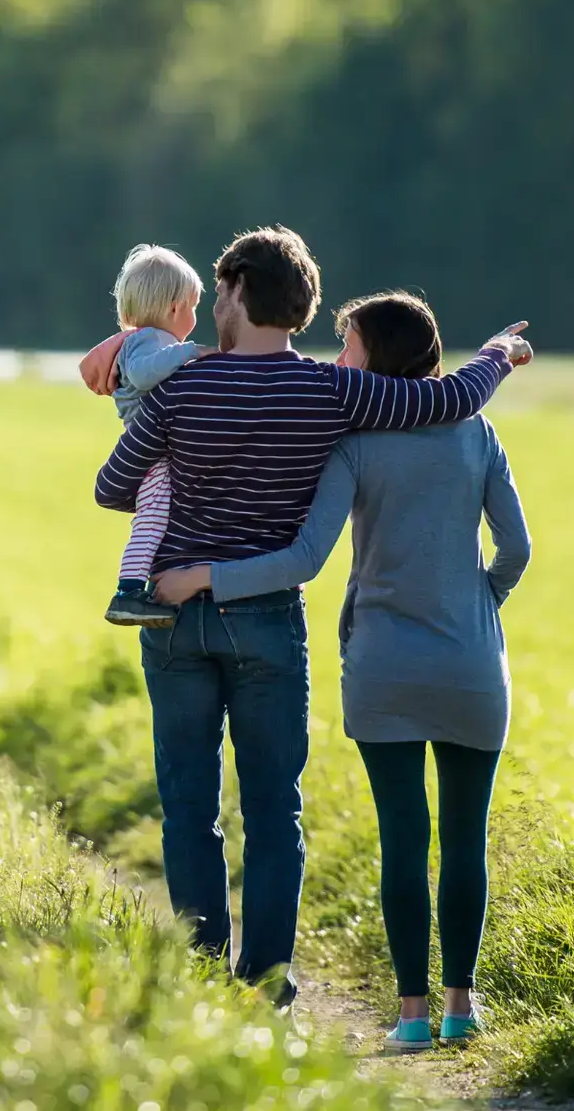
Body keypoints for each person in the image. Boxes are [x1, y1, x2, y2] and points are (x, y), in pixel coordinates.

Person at [94, 228, 532, 1006]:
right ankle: (266, 980)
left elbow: (113, 486)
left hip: (175, 615)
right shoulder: (331, 391)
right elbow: (452, 399)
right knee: (274, 808)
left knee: (190, 805)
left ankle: (200, 974)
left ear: (231, 290)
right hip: (266, 618)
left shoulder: (183, 391)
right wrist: (496, 353)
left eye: (217, 294)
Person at [77, 245, 213, 628]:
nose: (194, 316)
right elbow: (142, 374)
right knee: (152, 517)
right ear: (175, 308)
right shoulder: (148, 342)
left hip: (158, 448)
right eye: (193, 306)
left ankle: (143, 585)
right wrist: (191, 353)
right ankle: (129, 592)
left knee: (160, 513)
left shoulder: (149, 340)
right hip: (153, 453)